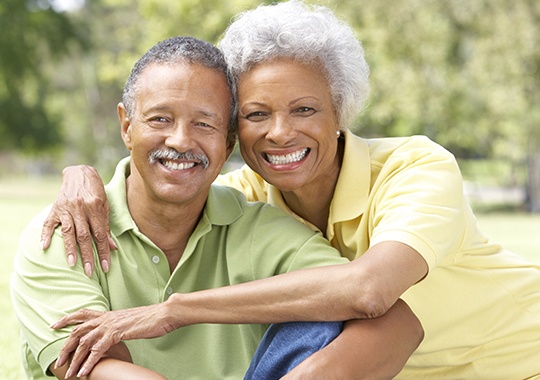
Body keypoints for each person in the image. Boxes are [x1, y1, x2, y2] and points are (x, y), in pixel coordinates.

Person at [41, 0, 540, 379]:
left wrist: (171, 313)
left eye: (304, 109)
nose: (279, 133)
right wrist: (80, 177)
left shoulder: (415, 166)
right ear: (236, 128)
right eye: (258, 114)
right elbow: (167, 171)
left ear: (340, 111)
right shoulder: (246, 196)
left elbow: (367, 291)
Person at [12, 35, 423, 380]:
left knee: (321, 314)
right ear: (126, 127)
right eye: (159, 119)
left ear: (227, 144)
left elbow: (398, 323)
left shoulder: (261, 229)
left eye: (204, 124)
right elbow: (99, 369)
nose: (180, 141)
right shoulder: (64, 232)